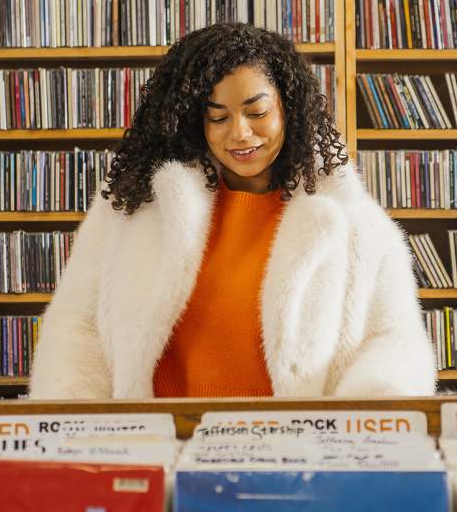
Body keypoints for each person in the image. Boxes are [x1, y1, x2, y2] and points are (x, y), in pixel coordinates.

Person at [29, 23, 436, 399]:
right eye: (218, 118)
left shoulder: (352, 221)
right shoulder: (132, 209)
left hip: (290, 456)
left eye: (257, 112)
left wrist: (360, 430)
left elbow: (394, 341)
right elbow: (75, 330)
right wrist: (81, 432)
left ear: (288, 110)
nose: (240, 133)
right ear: (196, 123)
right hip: (160, 448)